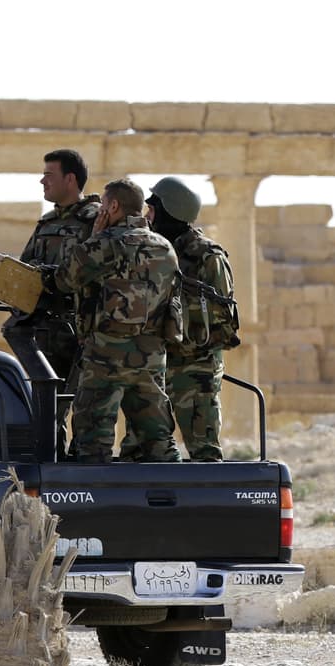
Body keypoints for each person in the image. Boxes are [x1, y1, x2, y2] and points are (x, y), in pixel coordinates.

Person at [0, 148, 101, 453]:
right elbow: (21, 273)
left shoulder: (96, 222)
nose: (42, 181)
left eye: (49, 175)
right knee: (46, 413)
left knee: (84, 411)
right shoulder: (47, 223)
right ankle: (53, 469)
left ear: (70, 179)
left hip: (80, 331)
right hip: (44, 330)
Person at [50, 178, 182, 463]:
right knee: (158, 441)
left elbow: (65, 279)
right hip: (151, 357)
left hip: (105, 358)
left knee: (92, 443)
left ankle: (94, 503)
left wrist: (94, 238)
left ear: (113, 206)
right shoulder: (165, 247)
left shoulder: (107, 243)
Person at [121, 177, 238, 462]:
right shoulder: (152, 251)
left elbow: (224, 318)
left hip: (194, 370)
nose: (147, 214)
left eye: (153, 208)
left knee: (203, 449)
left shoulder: (208, 257)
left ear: (170, 210)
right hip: (152, 367)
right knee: (136, 451)